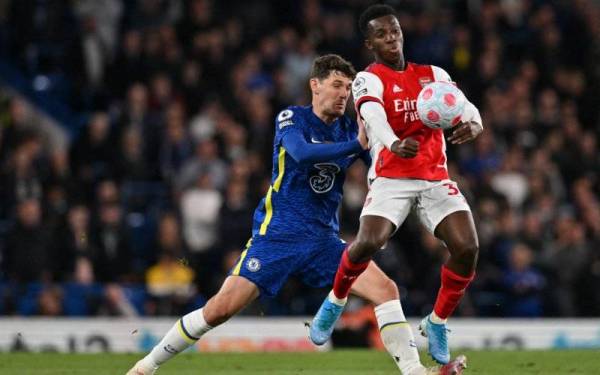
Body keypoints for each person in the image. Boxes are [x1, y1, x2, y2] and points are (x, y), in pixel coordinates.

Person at [127, 54, 465, 375]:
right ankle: (146, 366)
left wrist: (412, 146)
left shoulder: (351, 129)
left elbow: (382, 168)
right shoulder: (292, 118)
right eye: (336, 85)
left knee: (386, 290)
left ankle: (415, 371)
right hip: (278, 236)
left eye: (348, 88)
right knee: (219, 310)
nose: (343, 94)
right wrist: (358, 145)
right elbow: (302, 154)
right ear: (314, 85)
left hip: (323, 242)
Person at [310, 5, 483, 366]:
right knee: (369, 242)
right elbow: (372, 116)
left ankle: (436, 322)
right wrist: (392, 144)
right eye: (381, 34)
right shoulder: (367, 80)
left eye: (394, 31)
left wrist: (475, 124)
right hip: (392, 177)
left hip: (434, 177)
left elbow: (465, 106)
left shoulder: (433, 74)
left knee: (467, 248)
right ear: (369, 43)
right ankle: (336, 300)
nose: (391, 38)